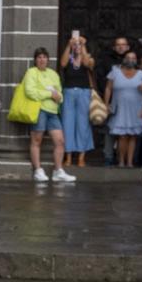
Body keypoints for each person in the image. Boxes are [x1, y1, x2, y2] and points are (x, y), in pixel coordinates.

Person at [24, 48, 70, 182]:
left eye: (44, 57)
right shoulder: (31, 72)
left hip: (53, 111)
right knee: (36, 141)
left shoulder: (53, 74)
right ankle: (37, 170)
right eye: (39, 57)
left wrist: (58, 97)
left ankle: (58, 171)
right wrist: (50, 94)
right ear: (35, 60)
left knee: (60, 141)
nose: (42, 59)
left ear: (48, 60)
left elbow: (60, 94)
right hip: (39, 110)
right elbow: (30, 92)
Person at [104, 49, 142, 167]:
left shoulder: (141, 74)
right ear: (124, 59)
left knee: (133, 136)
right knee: (122, 136)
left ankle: (129, 162)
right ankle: (121, 161)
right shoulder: (115, 72)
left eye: (133, 58)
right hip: (120, 108)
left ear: (136, 60)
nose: (131, 60)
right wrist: (106, 104)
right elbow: (108, 88)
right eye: (128, 57)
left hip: (136, 108)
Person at [59, 32, 95, 168]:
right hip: (68, 92)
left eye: (78, 44)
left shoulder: (89, 58)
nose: (77, 46)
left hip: (84, 92)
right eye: (76, 44)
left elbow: (87, 64)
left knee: (83, 125)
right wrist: (69, 45)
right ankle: (68, 157)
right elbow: (62, 64)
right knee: (67, 124)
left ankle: (81, 157)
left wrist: (83, 47)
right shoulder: (68, 58)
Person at [101, 36, 135, 164]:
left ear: (128, 47)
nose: (121, 47)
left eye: (123, 44)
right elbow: (103, 81)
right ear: (114, 47)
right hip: (112, 101)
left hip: (129, 103)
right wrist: (105, 103)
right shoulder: (106, 60)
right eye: (118, 44)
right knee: (110, 130)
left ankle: (126, 160)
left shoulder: (132, 60)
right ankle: (108, 157)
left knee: (127, 132)